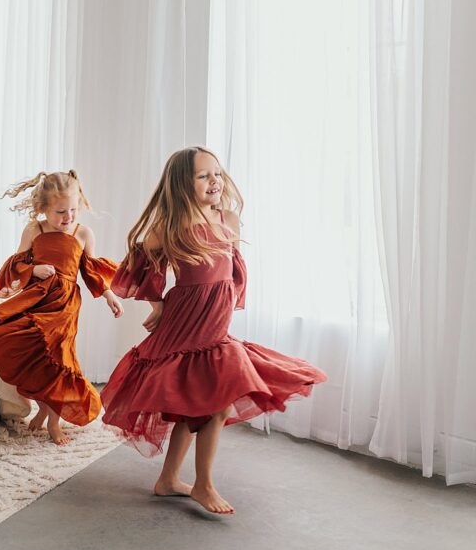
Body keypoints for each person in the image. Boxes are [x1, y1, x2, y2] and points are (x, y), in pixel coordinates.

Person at [101, 147, 327, 514]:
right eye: (203, 176)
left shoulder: (228, 220)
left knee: (199, 407)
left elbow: (232, 272)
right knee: (216, 406)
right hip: (187, 325)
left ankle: (169, 480)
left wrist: (225, 303)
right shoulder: (172, 226)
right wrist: (157, 305)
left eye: (217, 174)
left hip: (214, 324)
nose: (215, 182)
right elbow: (140, 261)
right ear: (182, 184)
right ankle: (203, 485)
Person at [0, 170, 121, 445]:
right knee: (28, 351)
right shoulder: (35, 229)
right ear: (43, 208)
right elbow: (16, 265)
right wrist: (34, 268)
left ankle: (54, 421)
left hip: (65, 305)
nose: (68, 218)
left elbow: (91, 271)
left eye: (73, 210)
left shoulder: (83, 233)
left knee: (60, 361)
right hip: (37, 299)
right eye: (60, 212)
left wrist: (108, 295)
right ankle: (43, 409)